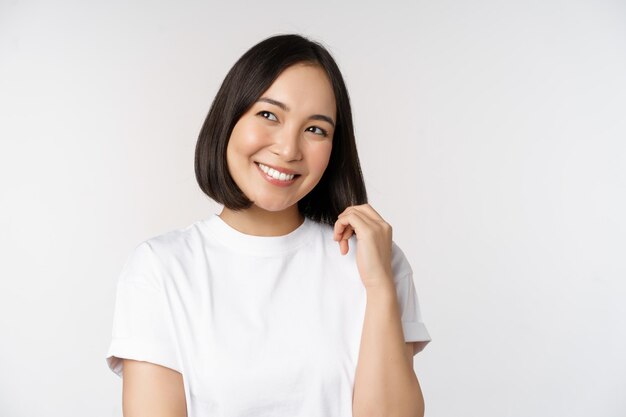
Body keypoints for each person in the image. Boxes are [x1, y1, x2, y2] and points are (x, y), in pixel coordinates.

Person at [105, 33, 431, 417]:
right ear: (230, 118)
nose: (289, 149)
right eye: (269, 115)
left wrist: (379, 288)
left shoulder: (378, 262)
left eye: (316, 129)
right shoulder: (161, 269)